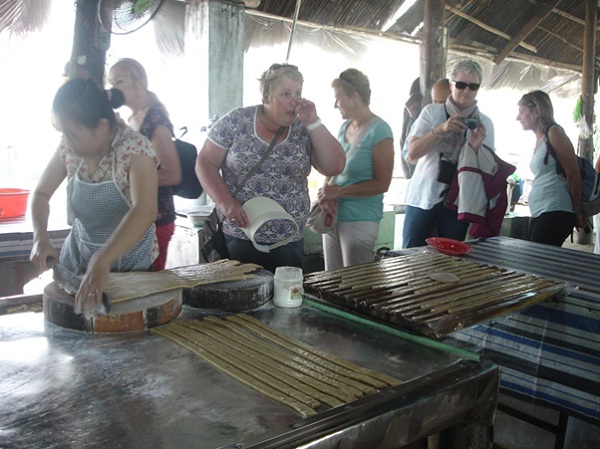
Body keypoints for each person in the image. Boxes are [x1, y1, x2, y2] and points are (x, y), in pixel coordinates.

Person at [195, 63, 345, 273]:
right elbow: (205, 162)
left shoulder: (304, 128)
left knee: (287, 299)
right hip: (240, 234)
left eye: (298, 93)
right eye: (285, 94)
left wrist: (313, 122)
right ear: (266, 98)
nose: (295, 100)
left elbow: (335, 166)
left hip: (289, 239)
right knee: (242, 298)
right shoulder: (236, 121)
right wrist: (225, 202)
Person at [29, 78, 159, 315]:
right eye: (63, 132)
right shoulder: (70, 147)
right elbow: (40, 193)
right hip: (80, 256)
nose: (66, 140)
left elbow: (146, 209)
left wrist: (104, 259)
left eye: (71, 133)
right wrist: (41, 238)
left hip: (128, 266)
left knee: (122, 331)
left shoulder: (135, 149)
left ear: (101, 127)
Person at [403, 59, 495, 248]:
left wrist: (475, 148)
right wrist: (440, 130)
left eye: (473, 86)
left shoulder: (484, 123)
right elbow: (411, 155)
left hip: (459, 201)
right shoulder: (431, 113)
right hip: (423, 196)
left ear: (478, 88)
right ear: (451, 85)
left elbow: (489, 171)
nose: (466, 91)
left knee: (450, 258)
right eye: (461, 85)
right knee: (409, 255)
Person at [108, 58, 181, 271]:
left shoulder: (155, 120)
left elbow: (173, 174)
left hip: (156, 219)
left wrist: (132, 182)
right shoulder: (131, 120)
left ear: (141, 82)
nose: (114, 89)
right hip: (136, 217)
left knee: (146, 285)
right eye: (112, 83)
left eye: (119, 81)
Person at [317, 69, 394, 270]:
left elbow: (382, 183)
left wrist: (340, 192)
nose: (335, 105)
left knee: (354, 284)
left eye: (338, 99)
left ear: (355, 97)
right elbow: (334, 167)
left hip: (361, 218)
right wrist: (326, 194)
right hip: (334, 216)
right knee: (330, 279)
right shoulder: (345, 128)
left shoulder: (380, 131)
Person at [516, 90, 586, 246]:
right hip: (542, 211)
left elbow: (573, 173)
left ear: (536, 112)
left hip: (555, 209)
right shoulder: (540, 138)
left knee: (538, 261)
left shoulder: (554, 133)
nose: (518, 118)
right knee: (537, 260)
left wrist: (577, 210)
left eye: (522, 112)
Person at [401, 79, 451, 163]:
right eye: (435, 102)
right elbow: (408, 155)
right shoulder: (425, 117)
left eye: (442, 102)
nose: (438, 107)